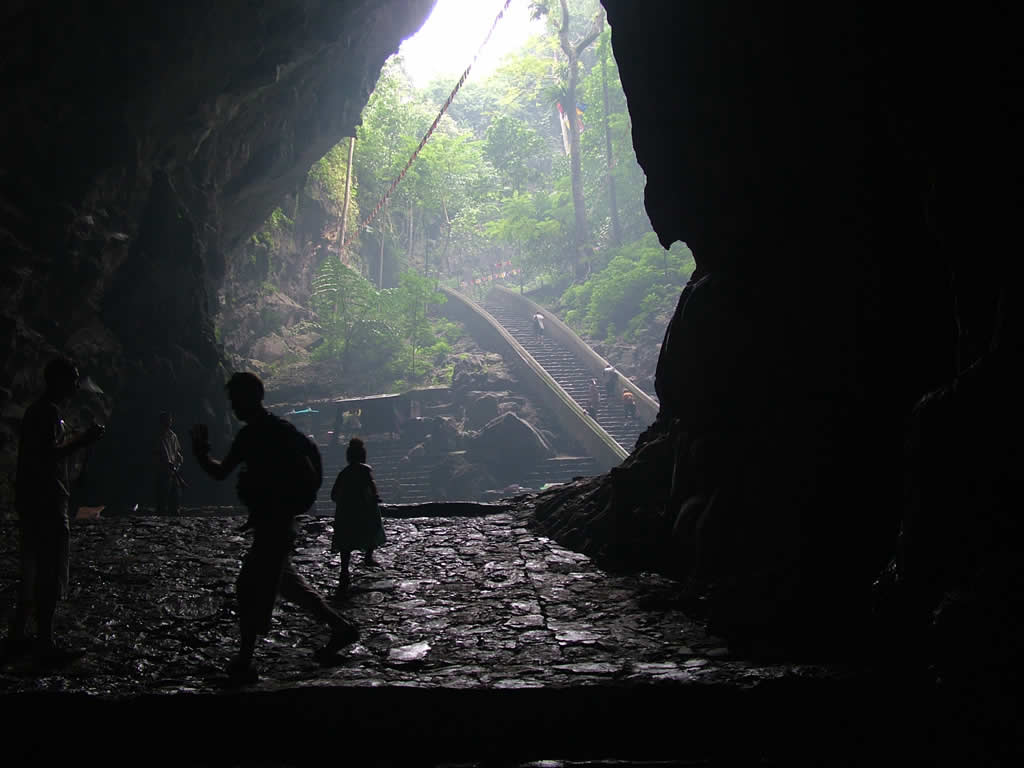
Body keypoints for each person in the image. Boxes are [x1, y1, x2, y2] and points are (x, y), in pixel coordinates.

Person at [191, 372, 358, 685]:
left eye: (234, 400)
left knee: (248, 587)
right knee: (287, 584)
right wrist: (304, 499)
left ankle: (244, 660)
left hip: (272, 523)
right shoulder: (282, 429)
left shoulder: (250, 435)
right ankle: (340, 627)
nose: (232, 407)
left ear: (247, 399)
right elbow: (313, 453)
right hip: (282, 519)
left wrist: (200, 453)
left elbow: (220, 473)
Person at [4, 357, 105, 664]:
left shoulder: (45, 412)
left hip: (40, 499)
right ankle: (43, 640)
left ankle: (19, 635)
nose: (76, 384)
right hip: (46, 500)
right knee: (49, 569)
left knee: (33, 567)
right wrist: (84, 441)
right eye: (73, 379)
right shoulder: (46, 413)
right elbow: (47, 455)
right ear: (58, 380)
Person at [330, 438, 386, 594]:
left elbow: (334, 493)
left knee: (345, 540)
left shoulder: (344, 472)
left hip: (347, 509)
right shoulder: (365, 470)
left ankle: (344, 571)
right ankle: (368, 556)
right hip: (363, 507)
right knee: (371, 528)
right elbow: (372, 485)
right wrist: (374, 496)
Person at [154, 411, 184, 515]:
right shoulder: (158, 435)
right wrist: (165, 462)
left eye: (170, 419)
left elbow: (176, 451)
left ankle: (174, 512)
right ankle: (161, 512)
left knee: (175, 492)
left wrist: (179, 458)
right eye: (167, 419)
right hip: (163, 469)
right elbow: (158, 452)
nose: (169, 421)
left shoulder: (173, 436)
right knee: (163, 492)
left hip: (173, 469)